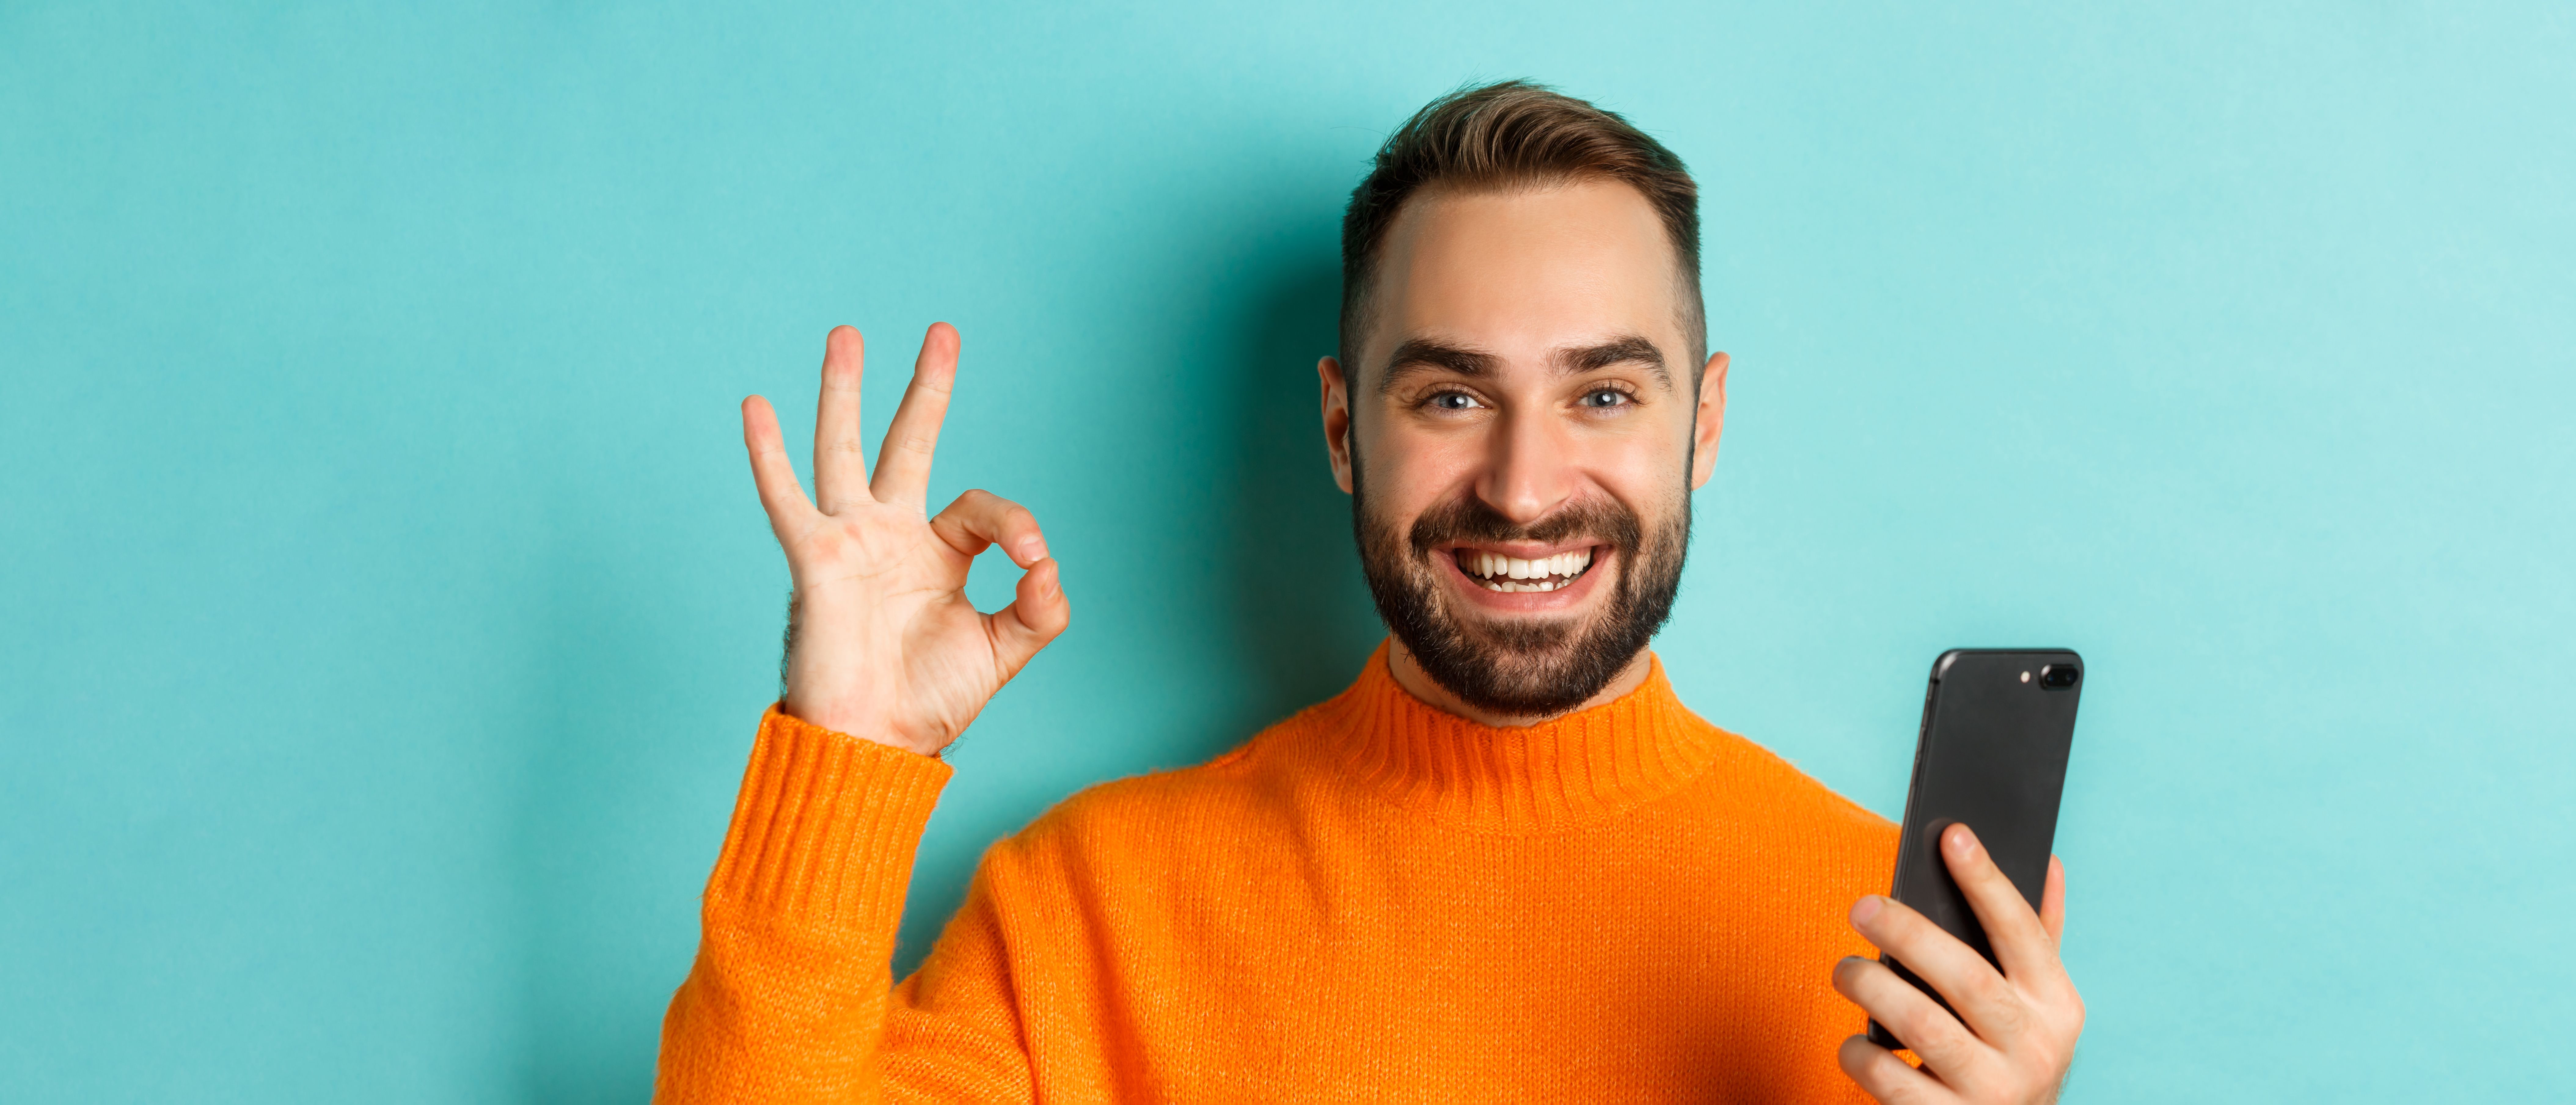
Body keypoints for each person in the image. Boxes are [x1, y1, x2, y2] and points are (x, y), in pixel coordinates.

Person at [659, 80, 2083, 1103]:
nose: (1525, 487)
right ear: (1343, 428)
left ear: (1701, 425)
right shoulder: (1084, 908)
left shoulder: (1899, 948)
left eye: (1600, 391)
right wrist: (843, 756)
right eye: (1453, 392)